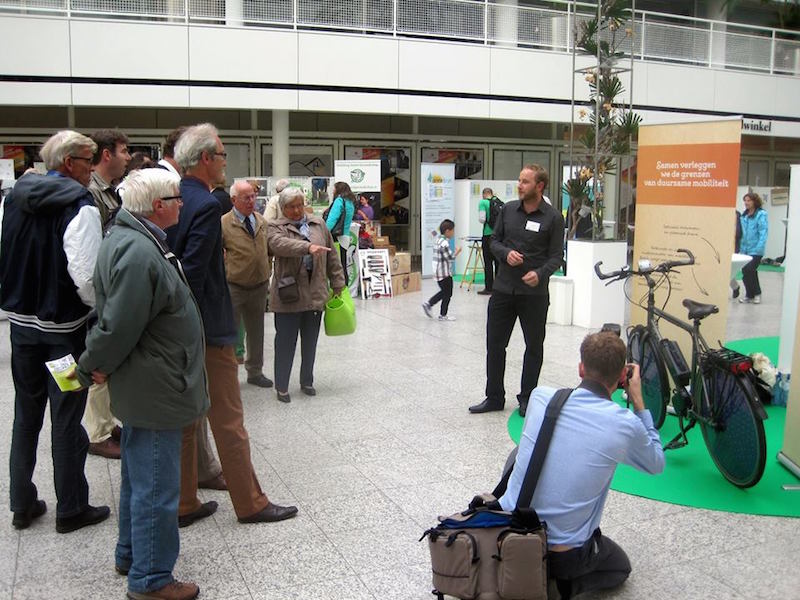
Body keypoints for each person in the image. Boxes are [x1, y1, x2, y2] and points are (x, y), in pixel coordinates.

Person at [75, 169, 205, 600]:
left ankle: (131, 553)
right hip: (155, 386)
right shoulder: (137, 251)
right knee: (155, 487)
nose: (182, 203)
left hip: (149, 381)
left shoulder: (135, 239)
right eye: (176, 198)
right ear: (158, 206)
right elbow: (118, 325)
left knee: (139, 476)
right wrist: (93, 364)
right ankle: (150, 579)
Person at [168, 123, 297, 526]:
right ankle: (251, 502)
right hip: (207, 328)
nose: (225, 162)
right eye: (222, 155)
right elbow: (192, 272)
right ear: (205, 158)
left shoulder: (173, 197)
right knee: (228, 419)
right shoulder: (208, 205)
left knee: (189, 418)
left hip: (182, 330)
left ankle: (185, 502)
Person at [498, 332, 664, 599]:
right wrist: (639, 403)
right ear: (623, 376)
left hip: (509, 528)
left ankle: (528, 570)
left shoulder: (541, 397)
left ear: (580, 368)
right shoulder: (624, 423)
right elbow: (656, 463)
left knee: (521, 451)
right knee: (620, 567)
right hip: (563, 554)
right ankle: (558, 585)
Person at [0, 130, 110, 533]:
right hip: (61, 336)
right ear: (69, 163)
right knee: (66, 414)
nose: (92, 166)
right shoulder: (81, 206)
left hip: (22, 329)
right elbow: (85, 277)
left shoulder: (14, 198)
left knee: (25, 414)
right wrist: (100, 313)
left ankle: (21, 503)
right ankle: (71, 507)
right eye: (88, 159)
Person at [470, 164, 564, 417]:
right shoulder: (508, 210)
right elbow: (494, 241)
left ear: (539, 186)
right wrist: (505, 254)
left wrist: (541, 273)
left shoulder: (553, 218)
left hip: (534, 295)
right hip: (503, 290)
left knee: (534, 346)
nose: (520, 185)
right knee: (495, 345)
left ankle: (527, 398)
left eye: (525, 181)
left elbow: (557, 256)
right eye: (520, 180)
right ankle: (494, 397)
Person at [268, 186, 345, 403]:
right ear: (282, 208)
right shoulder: (275, 226)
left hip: (315, 292)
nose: (296, 210)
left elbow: (332, 255)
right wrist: (307, 247)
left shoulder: (318, 223)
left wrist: (338, 281)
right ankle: (282, 386)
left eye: (299, 205)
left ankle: (307, 381)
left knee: (310, 342)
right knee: (285, 342)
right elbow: (279, 245)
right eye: (291, 206)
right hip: (289, 294)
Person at [84, 128, 132, 461]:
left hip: (108, 285)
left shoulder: (109, 192)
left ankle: (105, 422)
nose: (128, 157)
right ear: (106, 155)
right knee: (98, 360)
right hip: (96, 290)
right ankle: (96, 432)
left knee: (108, 360)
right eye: (123, 151)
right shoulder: (91, 194)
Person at [221, 180, 273, 388]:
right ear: (234, 200)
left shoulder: (261, 221)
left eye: (253, 196)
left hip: (259, 285)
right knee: (230, 332)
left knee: (256, 331)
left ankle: (255, 371)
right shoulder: (223, 223)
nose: (252, 201)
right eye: (246, 197)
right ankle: (228, 375)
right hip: (234, 285)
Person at [422, 219, 461, 321]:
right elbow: (450, 258)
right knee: (447, 293)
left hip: (439, 272)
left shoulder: (438, 240)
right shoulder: (444, 243)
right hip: (444, 273)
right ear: (447, 231)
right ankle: (438, 310)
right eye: (453, 230)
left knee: (445, 292)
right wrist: (457, 252)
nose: (453, 233)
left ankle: (434, 307)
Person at [739, 191, 768, 304]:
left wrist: (759, 247)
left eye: (748, 200)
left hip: (756, 249)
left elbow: (763, 232)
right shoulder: (744, 215)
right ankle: (749, 295)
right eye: (745, 201)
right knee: (745, 271)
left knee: (750, 269)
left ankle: (757, 293)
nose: (746, 203)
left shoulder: (761, 214)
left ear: (754, 201)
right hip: (744, 249)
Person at [325, 181, 356, 280]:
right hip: (345, 236)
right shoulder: (350, 202)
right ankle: (345, 290)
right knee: (343, 265)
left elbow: (332, 219)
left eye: (334, 188)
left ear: (338, 190)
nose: (333, 191)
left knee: (335, 266)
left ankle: (339, 291)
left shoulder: (339, 201)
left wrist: (324, 232)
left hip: (336, 237)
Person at [477, 187, 499, 295]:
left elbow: (482, 219)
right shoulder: (499, 202)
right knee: (498, 262)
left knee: (488, 262)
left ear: (484, 194)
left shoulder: (483, 202)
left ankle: (489, 288)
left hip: (487, 235)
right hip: (499, 236)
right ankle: (499, 288)